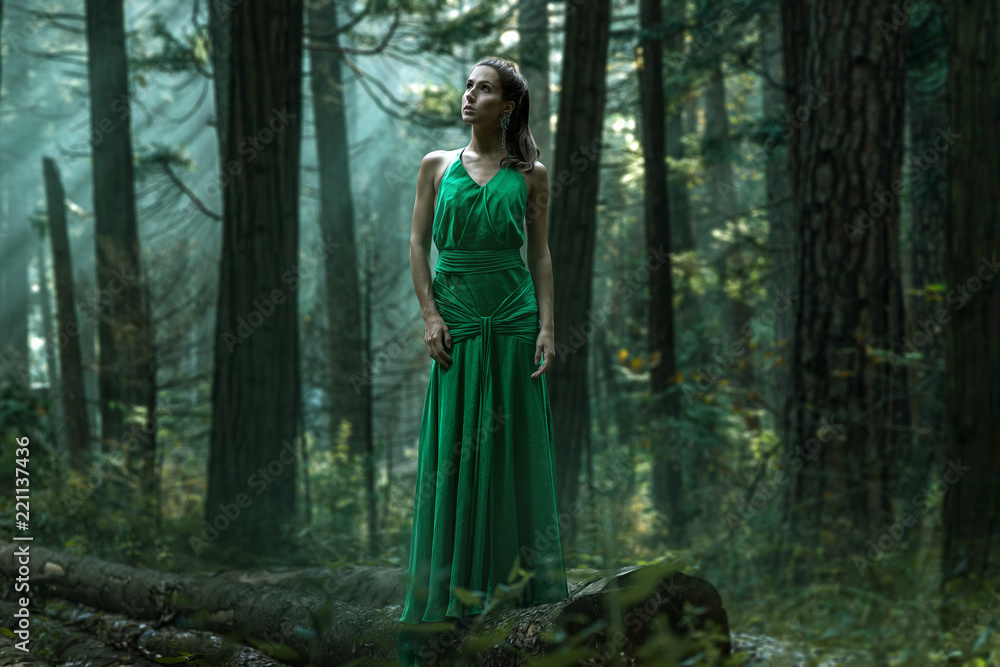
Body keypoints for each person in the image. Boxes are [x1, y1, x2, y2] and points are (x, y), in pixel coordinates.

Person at [397, 56, 569, 664]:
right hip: (459, 323)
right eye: (468, 86)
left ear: (510, 106)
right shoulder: (436, 167)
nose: (470, 96)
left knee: (511, 453)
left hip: (515, 322)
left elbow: (541, 256)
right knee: (454, 452)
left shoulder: (531, 176)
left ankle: (516, 606)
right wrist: (429, 315)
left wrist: (548, 326)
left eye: (485, 89)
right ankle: (446, 606)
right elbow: (418, 244)